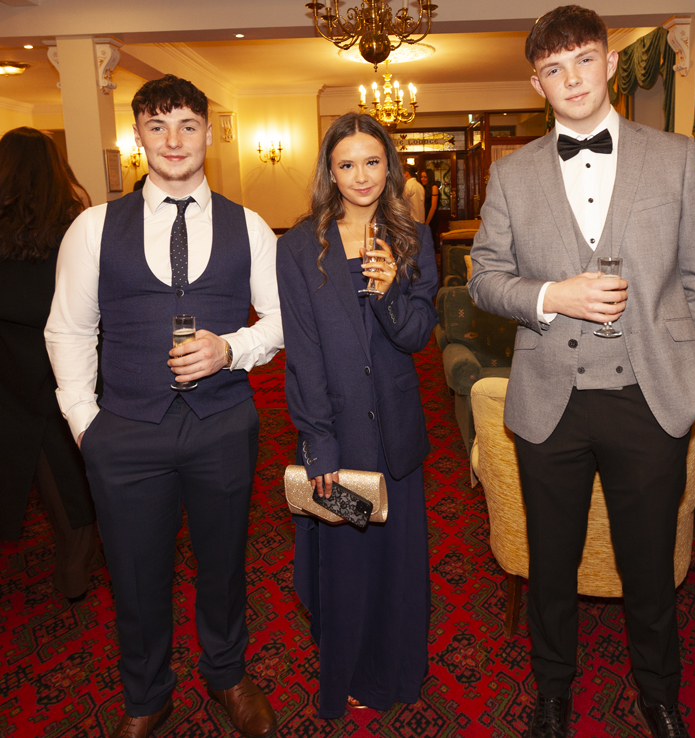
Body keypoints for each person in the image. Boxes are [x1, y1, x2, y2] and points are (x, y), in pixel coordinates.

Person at [468, 6, 695, 738]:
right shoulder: (510, 175)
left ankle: (659, 693)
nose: (572, 79)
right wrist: (552, 296)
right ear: (537, 84)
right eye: (554, 69)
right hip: (551, 401)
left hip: (651, 399)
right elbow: (483, 278)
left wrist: (690, 385)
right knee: (550, 565)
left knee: (650, 564)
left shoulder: (675, 157)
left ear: (610, 63)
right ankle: (553, 691)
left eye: (583, 59)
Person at [45, 75, 283, 738]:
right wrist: (85, 424)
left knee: (225, 564)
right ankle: (147, 695)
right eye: (157, 126)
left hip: (223, 426)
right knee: (134, 574)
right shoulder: (93, 228)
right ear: (138, 136)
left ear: (208, 133)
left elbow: (280, 319)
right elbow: (68, 330)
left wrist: (231, 348)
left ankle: (227, 674)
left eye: (186, 125)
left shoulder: (249, 226)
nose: (173, 140)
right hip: (123, 431)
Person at [276, 112, 438, 719]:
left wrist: (392, 290)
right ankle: (348, 668)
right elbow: (303, 354)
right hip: (337, 437)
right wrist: (318, 442)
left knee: (397, 565)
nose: (361, 175)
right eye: (347, 164)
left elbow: (416, 336)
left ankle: (394, 671)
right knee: (347, 565)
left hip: (396, 437)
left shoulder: (414, 238)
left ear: (389, 166)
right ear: (330, 172)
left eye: (372, 161)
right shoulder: (299, 246)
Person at [0, 127, 96, 603]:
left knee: (34, 464)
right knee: (73, 462)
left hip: (11, 365)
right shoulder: (73, 226)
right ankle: (79, 562)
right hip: (66, 357)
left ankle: (74, 561)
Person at [419, 168, 439, 238]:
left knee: (431, 239)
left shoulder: (434, 187)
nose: (422, 179)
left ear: (430, 178)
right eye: (421, 177)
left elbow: (433, 207)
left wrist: (427, 223)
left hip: (431, 219)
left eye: (425, 177)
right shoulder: (423, 188)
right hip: (424, 218)